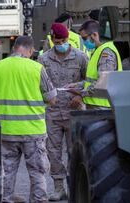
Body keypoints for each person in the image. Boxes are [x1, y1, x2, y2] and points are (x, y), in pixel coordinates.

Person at [0, 36, 57, 203]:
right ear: (30, 50)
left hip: (6, 131)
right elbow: (52, 99)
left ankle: (5, 200)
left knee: (6, 174)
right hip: (33, 131)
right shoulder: (36, 68)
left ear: (14, 48)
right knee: (37, 173)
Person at [38, 23, 88, 201]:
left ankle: (73, 185)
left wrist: (80, 96)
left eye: (62, 40)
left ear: (68, 39)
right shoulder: (43, 59)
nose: (59, 44)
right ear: (51, 40)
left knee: (75, 150)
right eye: (56, 41)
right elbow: (40, 85)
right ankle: (59, 187)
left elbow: (89, 82)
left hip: (74, 112)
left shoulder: (81, 57)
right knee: (53, 151)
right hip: (52, 112)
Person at [69, 20, 123, 109]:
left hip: (103, 107)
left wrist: (82, 94)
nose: (83, 41)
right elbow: (93, 79)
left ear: (94, 35)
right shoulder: (98, 50)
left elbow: (103, 81)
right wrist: (78, 85)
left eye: (84, 38)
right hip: (97, 106)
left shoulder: (106, 52)